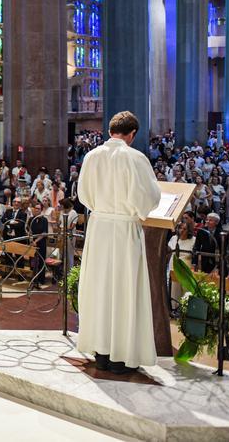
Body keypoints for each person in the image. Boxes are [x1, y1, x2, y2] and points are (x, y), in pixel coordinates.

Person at [76, 111, 162, 374]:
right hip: (124, 230)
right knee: (124, 290)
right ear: (132, 134)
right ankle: (121, 357)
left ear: (110, 131)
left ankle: (101, 352)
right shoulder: (135, 158)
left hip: (99, 229)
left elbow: (84, 195)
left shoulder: (91, 156)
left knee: (100, 289)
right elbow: (149, 198)